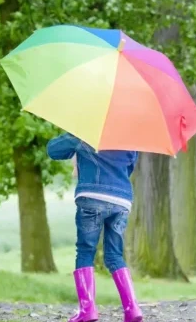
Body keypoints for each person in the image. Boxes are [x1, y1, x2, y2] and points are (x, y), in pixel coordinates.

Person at [47, 133, 143, 322]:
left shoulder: (86, 131)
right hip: (121, 200)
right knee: (115, 255)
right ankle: (132, 308)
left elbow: (53, 149)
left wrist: (76, 143)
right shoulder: (130, 136)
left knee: (85, 251)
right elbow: (129, 167)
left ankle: (87, 310)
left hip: (92, 196)